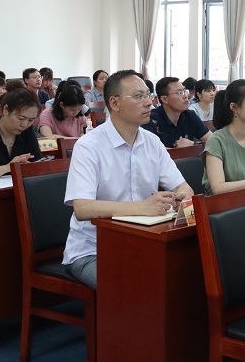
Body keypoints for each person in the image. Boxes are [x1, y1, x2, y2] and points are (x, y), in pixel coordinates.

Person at [62, 70, 194, 289]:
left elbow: (184, 187)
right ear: (114, 103)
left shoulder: (152, 142)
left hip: (144, 242)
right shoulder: (88, 146)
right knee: (136, 286)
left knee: (186, 275)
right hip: (94, 250)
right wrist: (141, 207)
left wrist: (181, 199)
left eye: (148, 95)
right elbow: (82, 208)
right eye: (139, 96)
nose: (149, 102)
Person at [142, 77, 211, 148]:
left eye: (185, 91)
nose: (185, 96)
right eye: (179, 93)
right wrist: (177, 150)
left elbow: (212, 140)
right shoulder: (151, 119)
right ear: (164, 99)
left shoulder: (190, 115)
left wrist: (194, 144)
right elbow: (150, 149)